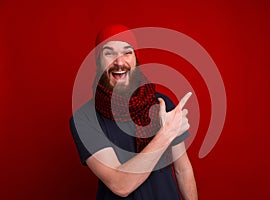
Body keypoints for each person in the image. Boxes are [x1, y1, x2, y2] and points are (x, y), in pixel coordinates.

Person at [70, 24, 198, 199]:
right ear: (98, 62)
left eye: (127, 52)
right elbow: (120, 185)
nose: (120, 62)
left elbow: (182, 170)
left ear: (136, 60)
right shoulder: (84, 119)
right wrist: (166, 133)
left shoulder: (161, 103)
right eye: (109, 53)